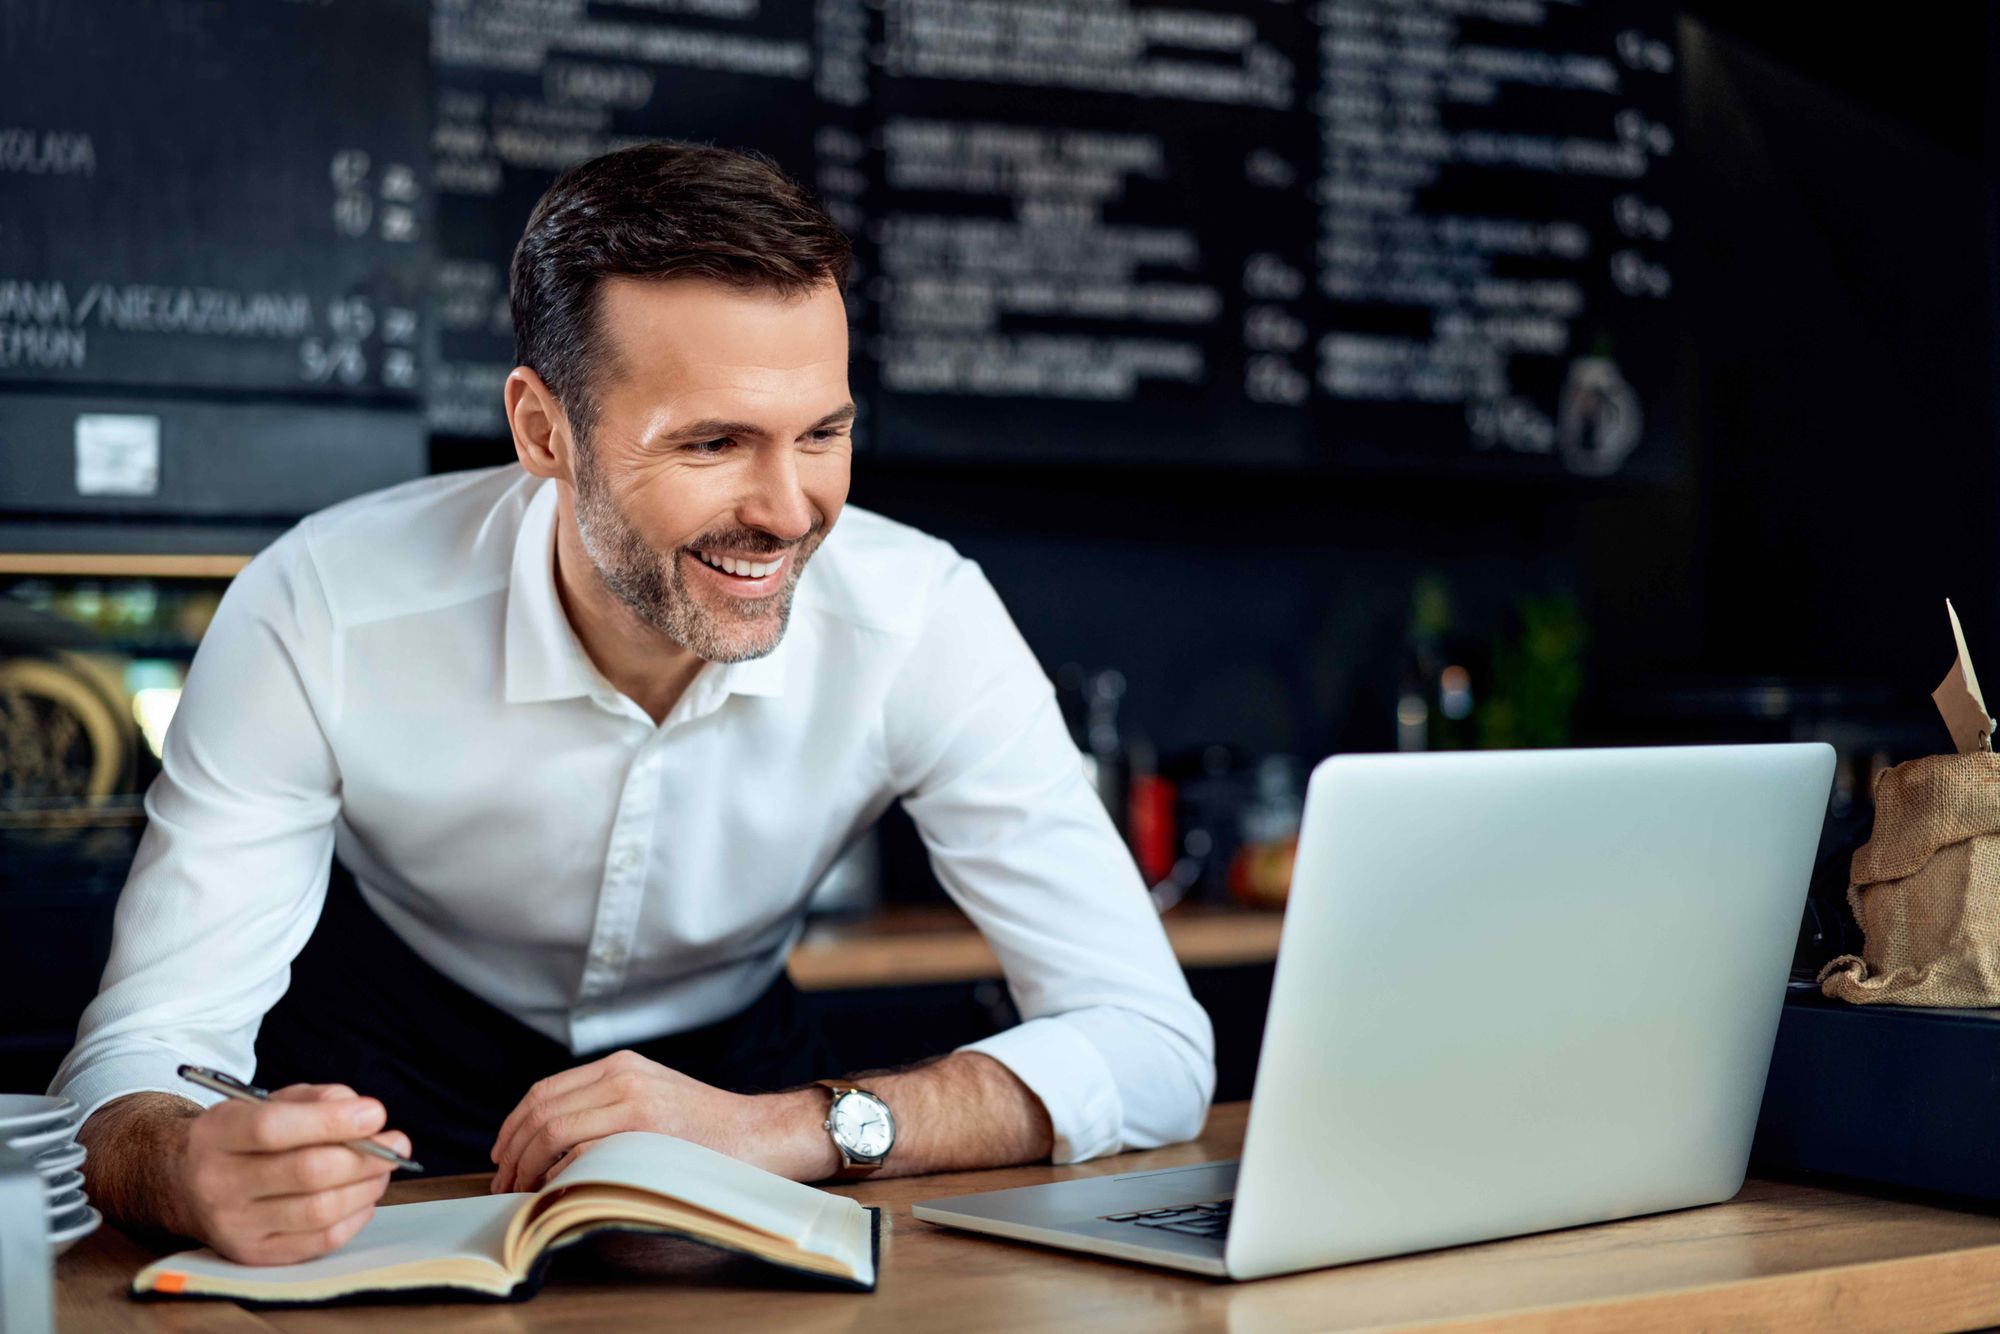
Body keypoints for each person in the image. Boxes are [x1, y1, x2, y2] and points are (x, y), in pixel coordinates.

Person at [53, 141, 1214, 1266]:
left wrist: (786, 1126)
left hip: (739, 1088)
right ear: (541, 429)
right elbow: (135, 1056)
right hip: (384, 1087)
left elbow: (1154, 1044)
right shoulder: (321, 607)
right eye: (712, 442)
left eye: (822, 433)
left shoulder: (921, 616)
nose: (788, 508)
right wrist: (185, 1163)